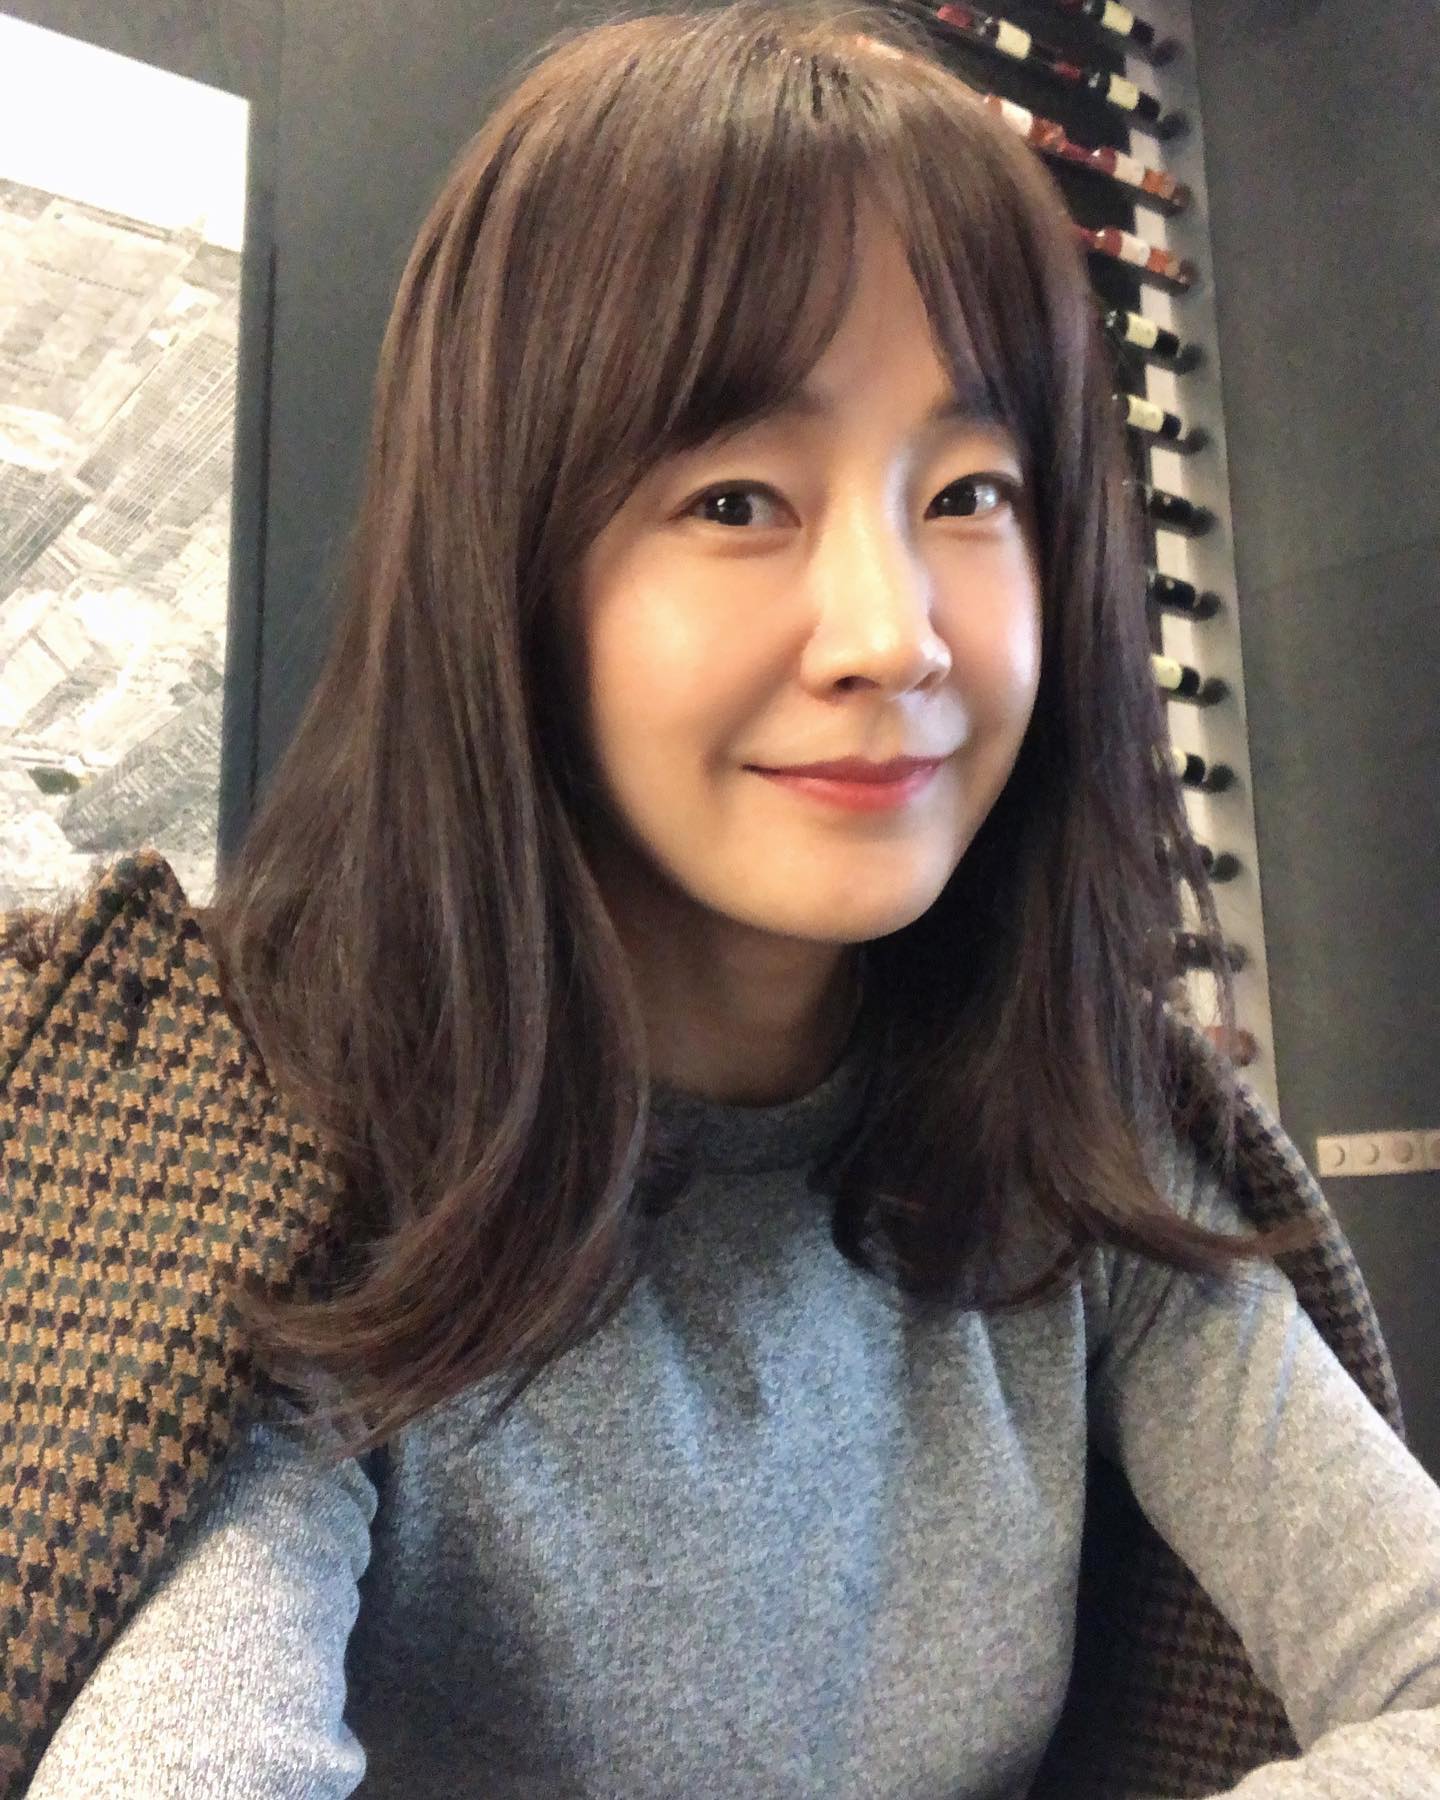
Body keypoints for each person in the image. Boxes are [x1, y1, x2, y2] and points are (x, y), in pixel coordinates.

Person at [14, 2, 1440, 1794]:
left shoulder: (1081, 1131)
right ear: (508, 565)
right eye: (740, 499)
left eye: (971, 490)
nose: (893, 634)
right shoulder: (275, 1154)